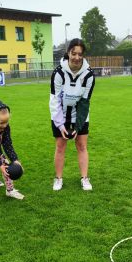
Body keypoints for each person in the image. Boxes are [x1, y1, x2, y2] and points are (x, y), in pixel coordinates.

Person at [49, 38, 95, 191]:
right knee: (60, 146)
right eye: (73, 53)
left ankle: (84, 178)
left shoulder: (89, 76)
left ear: (83, 55)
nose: (76, 57)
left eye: (80, 54)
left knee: (82, 145)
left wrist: (77, 126)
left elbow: (84, 102)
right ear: (68, 53)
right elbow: (54, 100)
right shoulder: (58, 73)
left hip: (80, 115)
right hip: (60, 114)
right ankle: (58, 179)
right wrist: (61, 125)